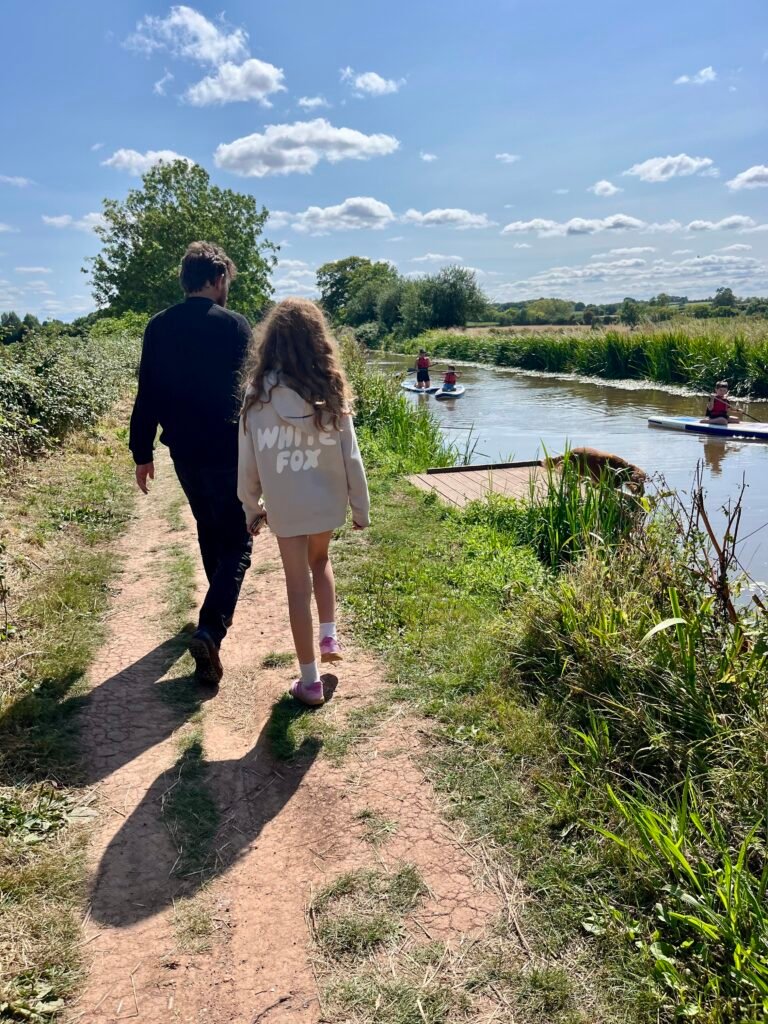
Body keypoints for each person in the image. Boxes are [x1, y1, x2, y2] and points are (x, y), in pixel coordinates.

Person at [129, 241, 253, 687]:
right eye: (226, 282)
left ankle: (212, 612)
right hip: (228, 450)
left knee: (207, 525)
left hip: (183, 450)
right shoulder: (235, 326)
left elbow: (148, 391)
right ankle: (211, 628)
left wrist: (142, 452)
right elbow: (251, 393)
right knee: (237, 540)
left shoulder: (158, 326)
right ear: (218, 279)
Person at [238, 298, 370, 708]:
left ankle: (310, 682)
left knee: (297, 586)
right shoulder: (329, 390)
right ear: (318, 340)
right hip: (325, 502)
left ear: (271, 342)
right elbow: (351, 456)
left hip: (285, 506)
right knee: (321, 560)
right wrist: (360, 507)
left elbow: (247, 460)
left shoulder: (256, 396)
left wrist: (251, 506)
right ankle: (329, 634)